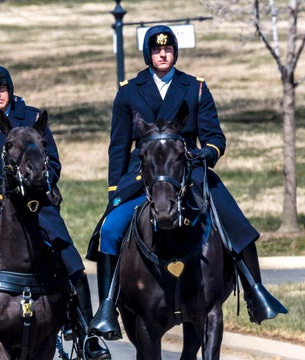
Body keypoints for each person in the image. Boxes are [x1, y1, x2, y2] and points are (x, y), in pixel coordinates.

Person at [86, 25, 287, 341]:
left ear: (175, 52)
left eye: (168, 49)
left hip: (188, 169)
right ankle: (108, 308)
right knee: (110, 230)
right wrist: (115, 191)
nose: (162, 54)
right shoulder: (128, 91)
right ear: (148, 54)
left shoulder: (195, 88)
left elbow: (214, 136)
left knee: (237, 225)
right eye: (156, 49)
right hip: (144, 175)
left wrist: (207, 151)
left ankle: (255, 292)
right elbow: (119, 145)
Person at [0, 65, 110, 360]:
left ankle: (87, 333)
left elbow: (54, 164)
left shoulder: (32, 119)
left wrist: (44, 180)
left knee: (71, 260)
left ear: (10, 89)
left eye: (1, 88)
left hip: (36, 206)